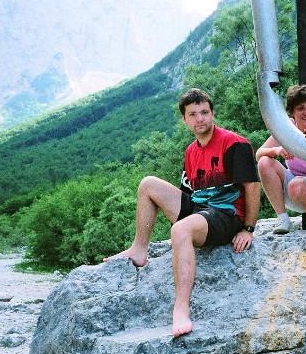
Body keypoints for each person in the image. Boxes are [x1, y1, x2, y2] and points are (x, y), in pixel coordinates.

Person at [104, 88, 260, 337]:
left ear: (212, 113)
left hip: (226, 214)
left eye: (204, 112)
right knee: (148, 184)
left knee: (180, 229)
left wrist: (248, 228)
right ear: (184, 119)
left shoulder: (235, 144)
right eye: (193, 114)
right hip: (200, 209)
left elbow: (252, 186)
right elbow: (188, 191)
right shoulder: (190, 151)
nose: (200, 119)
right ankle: (139, 249)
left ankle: (181, 308)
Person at [256, 83, 306, 234]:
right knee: (264, 162)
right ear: (293, 111)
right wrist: (277, 150)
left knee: (296, 184)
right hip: (295, 191)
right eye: (300, 108)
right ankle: (283, 218)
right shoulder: (287, 127)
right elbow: (259, 154)